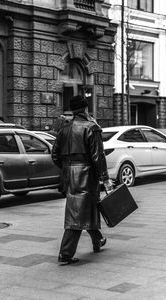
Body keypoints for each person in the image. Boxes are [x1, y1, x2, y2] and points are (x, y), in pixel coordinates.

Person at [52, 95, 113, 265]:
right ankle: (65, 253)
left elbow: (54, 155)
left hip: (69, 176)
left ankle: (98, 240)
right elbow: (98, 156)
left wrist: (67, 167)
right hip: (86, 175)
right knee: (77, 213)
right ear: (85, 109)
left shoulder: (63, 129)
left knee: (90, 206)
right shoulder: (91, 127)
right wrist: (105, 179)